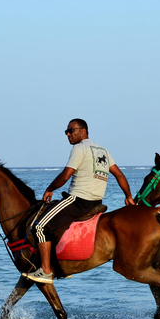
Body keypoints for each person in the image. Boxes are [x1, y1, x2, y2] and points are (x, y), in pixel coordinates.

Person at [27, 118, 135, 283]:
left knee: (40, 226)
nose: (68, 134)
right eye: (66, 132)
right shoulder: (103, 150)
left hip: (78, 200)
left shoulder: (79, 148)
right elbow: (119, 174)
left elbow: (65, 176)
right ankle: (58, 264)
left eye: (71, 130)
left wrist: (49, 189)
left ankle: (46, 270)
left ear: (83, 131)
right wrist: (128, 196)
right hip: (96, 202)